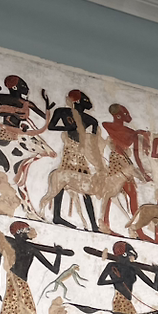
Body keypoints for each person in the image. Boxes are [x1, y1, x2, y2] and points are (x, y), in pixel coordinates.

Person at [47, 89, 101, 230]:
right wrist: (68, 127)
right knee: (61, 180)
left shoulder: (92, 120)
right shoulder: (62, 112)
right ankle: (57, 216)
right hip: (70, 150)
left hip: (81, 153)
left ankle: (93, 224)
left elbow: (93, 141)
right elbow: (51, 126)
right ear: (77, 101)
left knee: (87, 186)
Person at [84, 241, 158, 314]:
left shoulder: (134, 268)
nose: (133, 259)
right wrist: (117, 280)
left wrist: (157, 273)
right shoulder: (112, 265)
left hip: (127, 302)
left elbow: (155, 287)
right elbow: (100, 282)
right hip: (120, 300)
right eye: (131, 256)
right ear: (125, 255)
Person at [101, 103, 149, 229]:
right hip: (116, 161)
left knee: (132, 193)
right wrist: (137, 134)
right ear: (118, 116)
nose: (129, 116)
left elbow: (136, 156)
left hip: (126, 162)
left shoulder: (131, 133)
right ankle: (105, 222)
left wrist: (143, 173)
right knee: (110, 191)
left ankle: (136, 225)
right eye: (125, 114)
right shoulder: (108, 125)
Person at [0, 75, 50, 139]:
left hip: (15, 130)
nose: (26, 88)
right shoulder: (12, 100)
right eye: (22, 86)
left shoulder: (24, 102)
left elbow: (41, 114)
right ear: (14, 88)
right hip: (9, 130)